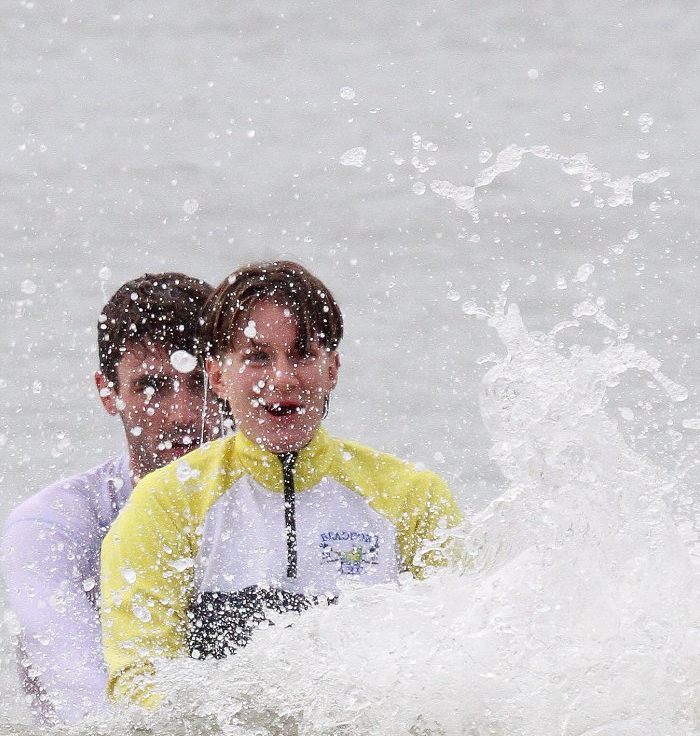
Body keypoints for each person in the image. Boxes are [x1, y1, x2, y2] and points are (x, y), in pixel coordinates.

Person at [100, 260, 462, 707]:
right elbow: (137, 678)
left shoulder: (411, 495)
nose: (283, 379)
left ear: (332, 368)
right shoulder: (166, 503)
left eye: (303, 354)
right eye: (257, 357)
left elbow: (455, 667)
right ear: (217, 376)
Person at [1, 272, 217, 724]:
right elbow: (77, 688)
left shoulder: (288, 504)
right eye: (152, 386)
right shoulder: (51, 524)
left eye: (199, 383)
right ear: (108, 392)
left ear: (228, 380)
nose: (181, 414)